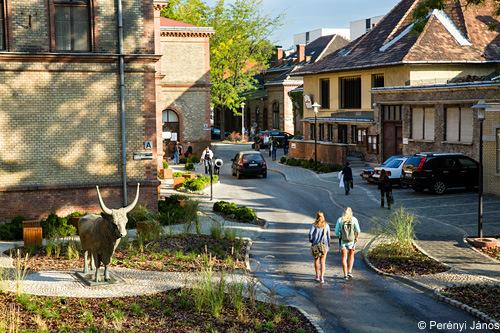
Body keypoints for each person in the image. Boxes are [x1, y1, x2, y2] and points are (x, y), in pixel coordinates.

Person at [335, 207, 360, 280]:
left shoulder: (340, 220)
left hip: (343, 241)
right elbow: (358, 230)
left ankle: (345, 275)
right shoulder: (354, 219)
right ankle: (349, 272)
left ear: (343, 212)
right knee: (351, 256)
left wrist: (340, 236)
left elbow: (336, 232)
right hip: (352, 241)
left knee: (344, 258)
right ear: (351, 212)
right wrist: (356, 237)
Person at [308, 211, 331, 284]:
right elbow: (328, 237)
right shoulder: (326, 225)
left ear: (317, 217)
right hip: (324, 246)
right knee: (323, 262)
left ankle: (317, 276)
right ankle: (322, 277)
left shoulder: (314, 225)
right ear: (323, 217)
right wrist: (328, 246)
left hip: (315, 245)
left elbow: (310, 234)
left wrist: (312, 241)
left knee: (316, 260)